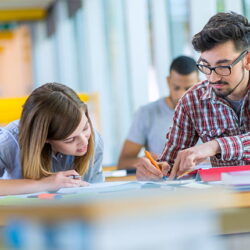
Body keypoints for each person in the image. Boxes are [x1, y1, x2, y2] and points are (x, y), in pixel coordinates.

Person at [136, 12, 250, 181]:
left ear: (247, 60)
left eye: (223, 66)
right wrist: (156, 170)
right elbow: (170, 162)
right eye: (205, 66)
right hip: (228, 203)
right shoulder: (192, 101)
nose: (213, 77)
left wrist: (214, 146)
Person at [0, 82, 103, 195]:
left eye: (85, 128)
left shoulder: (94, 140)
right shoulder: (9, 141)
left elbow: (96, 191)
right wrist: (43, 184)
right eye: (69, 140)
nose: (84, 141)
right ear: (45, 138)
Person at [118, 56, 199, 170]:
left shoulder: (211, 112)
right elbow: (123, 163)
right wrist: (147, 162)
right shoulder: (146, 113)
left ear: (199, 84)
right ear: (168, 81)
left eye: (188, 89)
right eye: (176, 88)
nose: (181, 95)